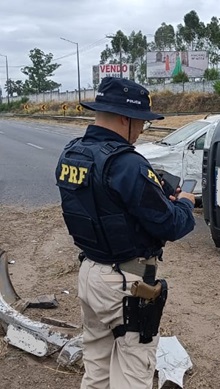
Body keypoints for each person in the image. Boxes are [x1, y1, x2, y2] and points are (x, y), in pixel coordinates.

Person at [55, 77, 196, 389]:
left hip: (90, 272)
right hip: (125, 281)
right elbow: (171, 225)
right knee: (134, 374)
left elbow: (106, 208)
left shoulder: (72, 154)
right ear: (125, 118)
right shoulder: (126, 163)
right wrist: (184, 204)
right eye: (141, 123)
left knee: (97, 369)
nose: (141, 130)